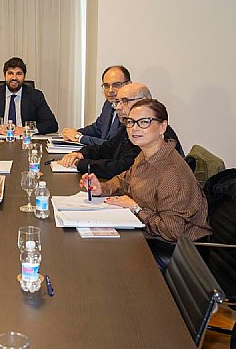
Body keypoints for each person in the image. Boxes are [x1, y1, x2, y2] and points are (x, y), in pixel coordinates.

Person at [81, 99, 211, 271]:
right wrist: (102, 188)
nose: (134, 128)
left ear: (163, 127)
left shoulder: (172, 173)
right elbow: (125, 179)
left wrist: (136, 209)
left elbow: (172, 231)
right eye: (131, 122)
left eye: (144, 122)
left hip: (177, 253)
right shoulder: (147, 153)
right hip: (149, 234)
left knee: (103, 260)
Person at [57, 83, 184, 179]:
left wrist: (81, 164)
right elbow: (106, 148)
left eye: (124, 101)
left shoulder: (152, 133)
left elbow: (121, 168)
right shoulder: (127, 127)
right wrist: (81, 154)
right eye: (117, 102)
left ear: (143, 101)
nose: (117, 107)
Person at [0, 57, 58, 135]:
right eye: (10, 73)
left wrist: (26, 130)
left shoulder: (35, 96)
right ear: (4, 75)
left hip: (25, 142)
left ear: (24, 76)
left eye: (19, 74)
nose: (14, 78)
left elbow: (52, 124)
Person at [62, 65, 129, 145]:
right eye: (106, 86)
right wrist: (73, 133)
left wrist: (78, 137)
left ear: (128, 84)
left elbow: (113, 145)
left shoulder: (131, 110)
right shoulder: (108, 104)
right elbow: (97, 129)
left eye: (116, 85)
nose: (110, 90)